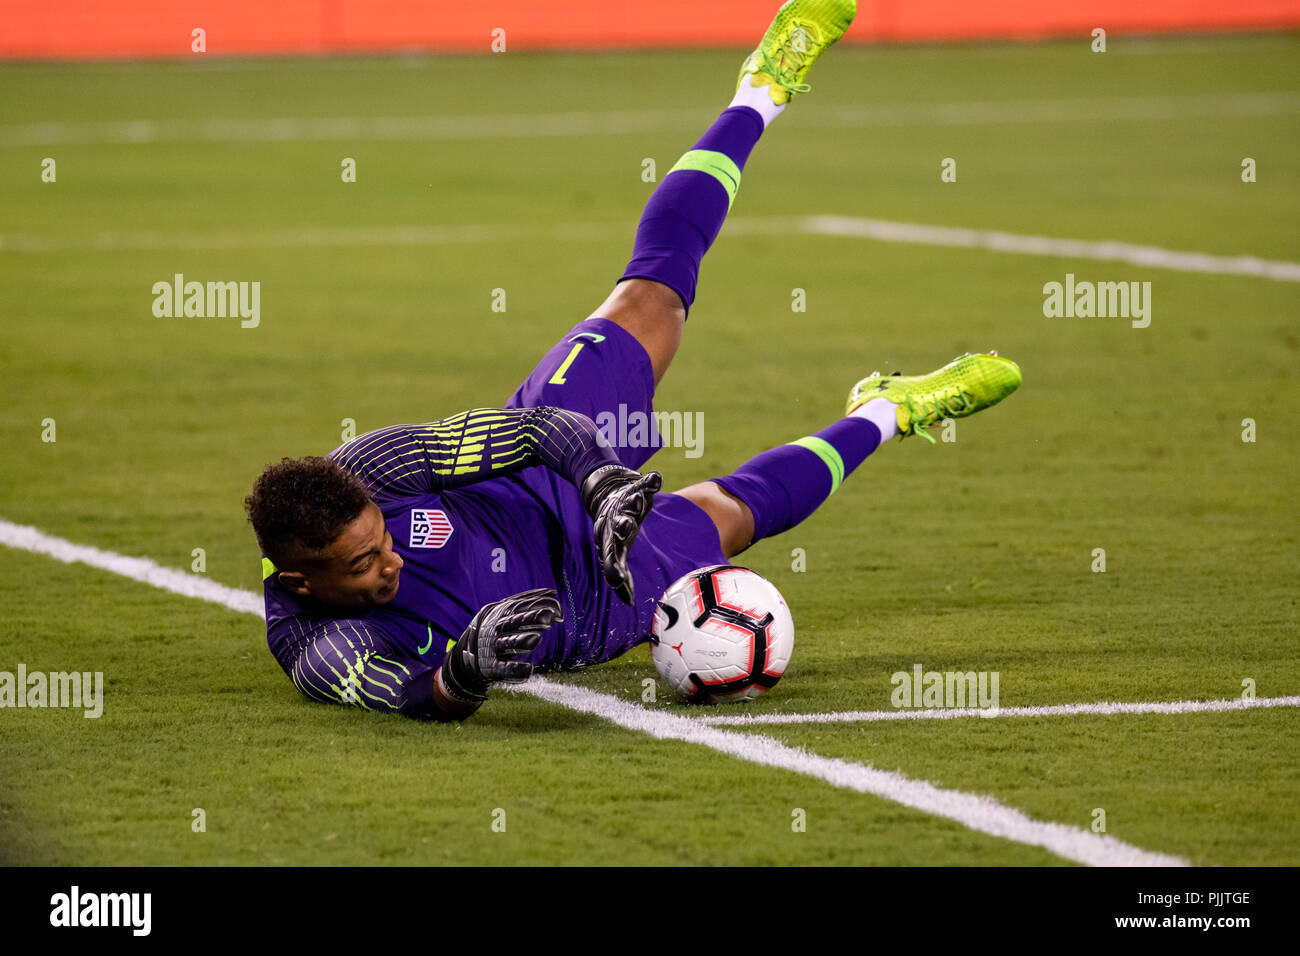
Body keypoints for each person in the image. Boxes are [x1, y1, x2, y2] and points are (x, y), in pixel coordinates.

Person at [244, 0, 1022, 721]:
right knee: (731, 517)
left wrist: (598, 482)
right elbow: (411, 696)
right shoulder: (315, 647)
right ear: (302, 581)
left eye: (382, 541)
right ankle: (889, 411)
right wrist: (466, 674)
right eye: (362, 567)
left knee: (649, 300)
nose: (388, 564)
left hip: (545, 487)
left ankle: (762, 88)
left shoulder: (372, 467)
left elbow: (529, 434)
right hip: (592, 606)